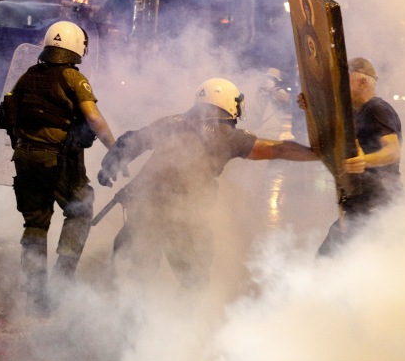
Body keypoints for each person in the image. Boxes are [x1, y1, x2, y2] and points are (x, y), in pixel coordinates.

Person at [97, 77, 318, 291]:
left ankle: (123, 318)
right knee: (194, 281)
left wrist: (110, 166)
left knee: (132, 274)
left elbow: (132, 140)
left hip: (145, 208)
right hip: (184, 216)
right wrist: (319, 154)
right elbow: (277, 148)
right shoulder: (229, 136)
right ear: (229, 103)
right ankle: (183, 323)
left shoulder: (170, 122)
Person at [0, 20, 115, 315]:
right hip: (60, 159)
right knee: (80, 209)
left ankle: (35, 294)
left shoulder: (28, 76)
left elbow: (10, 115)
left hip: (25, 156)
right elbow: (94, 119)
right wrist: (115, 149)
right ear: (77, 48)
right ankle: (62, 281)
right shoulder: (73, 79)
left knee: (36, 223)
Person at [301, 57, 403, 257]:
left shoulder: (377, 109)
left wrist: (365, 161)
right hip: (363, 206)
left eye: (344, 82)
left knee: (327, 261)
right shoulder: (357, 112)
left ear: (362, 82)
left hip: (377, 206)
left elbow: (393, 150)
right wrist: (309, 106)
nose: (339, 89)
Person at [248, 67, 291, 139]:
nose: (270, 79)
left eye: (273, 78)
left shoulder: (278, 90)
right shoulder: (261, 91)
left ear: (276, 81)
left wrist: (270, 90)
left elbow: (285, 99)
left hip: (271, 130)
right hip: (257, 129)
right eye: (268, 77)